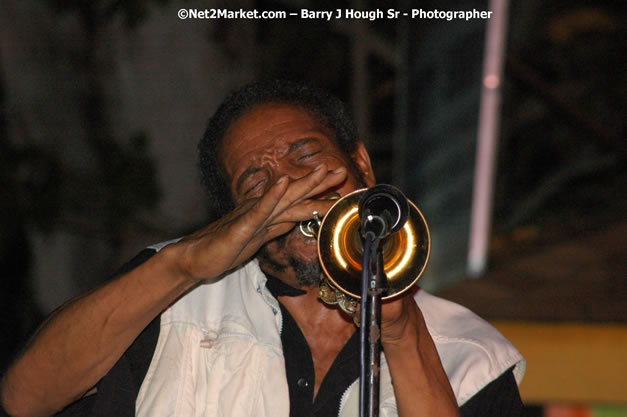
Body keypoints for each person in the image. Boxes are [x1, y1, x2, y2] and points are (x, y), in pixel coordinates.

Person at [0, 80, 525, 417]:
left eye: (307, 155)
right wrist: (182, 264)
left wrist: (402, 329)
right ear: (235, 218)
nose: (288, 188)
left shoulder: (471, 356)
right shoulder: (169, 297)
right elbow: (25, 397)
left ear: (362, 167)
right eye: (256, 184)